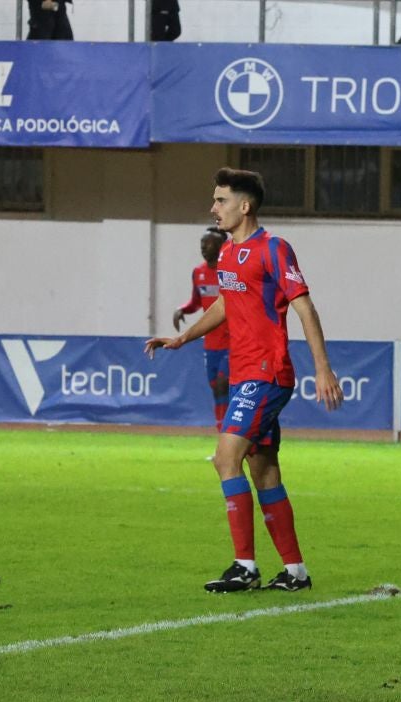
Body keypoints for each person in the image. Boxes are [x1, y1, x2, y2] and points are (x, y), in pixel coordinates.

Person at [145, 168, 342, 594]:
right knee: (264, 469)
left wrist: (322, 366)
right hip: (243, 374)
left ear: (244, 205)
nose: (213, 208)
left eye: (221, 201)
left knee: (224, 458)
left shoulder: (273, 249)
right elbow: (225, 306)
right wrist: (183, 337)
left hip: (266, 373)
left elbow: (304, 308)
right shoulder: (228, 254)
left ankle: (245, 565)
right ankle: (295, 573)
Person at [173, 228, 231, 430]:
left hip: (233, 342)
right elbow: (196, 301)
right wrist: (183, 310)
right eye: (202, 244)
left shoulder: (230, 272)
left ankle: (230, 435)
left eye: (208, 244)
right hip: (211, 342)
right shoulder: (198, 273)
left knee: (225, 383)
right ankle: (222, 433)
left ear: (221, 246)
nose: (204, 248)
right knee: (216, 387)